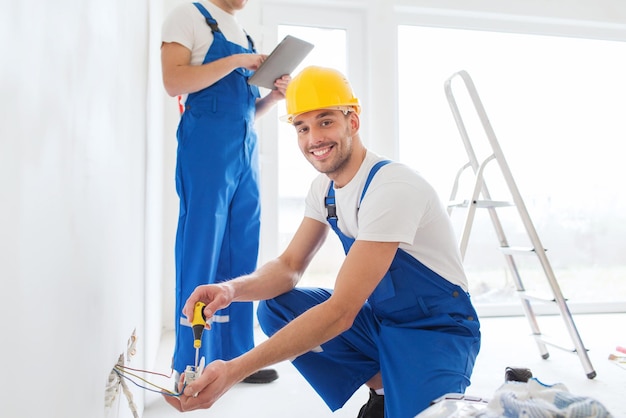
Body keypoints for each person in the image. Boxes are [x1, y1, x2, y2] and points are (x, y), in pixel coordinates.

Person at [164, 66, 482, 417]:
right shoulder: (324, 190)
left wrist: (234, 370)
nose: (313, 138)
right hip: (381, 320)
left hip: (435, 328)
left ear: (353, 122)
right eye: (302, 127)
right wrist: (230, 290)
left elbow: (341, 312)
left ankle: (409, 389)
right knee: (275, 306)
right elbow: (288, 268)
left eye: (325, 121)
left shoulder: (392, 188)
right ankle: (382, 388)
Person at [161, 0, 289, 384]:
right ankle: (189, 362)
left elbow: (247, 111)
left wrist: (273, 98)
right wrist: (238, 62)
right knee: (201, 248)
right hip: (207, 145)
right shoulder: (188, 16)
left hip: (244, 147)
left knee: (241, 250)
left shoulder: (241, 30)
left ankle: (236, 358)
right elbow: (174, 82)